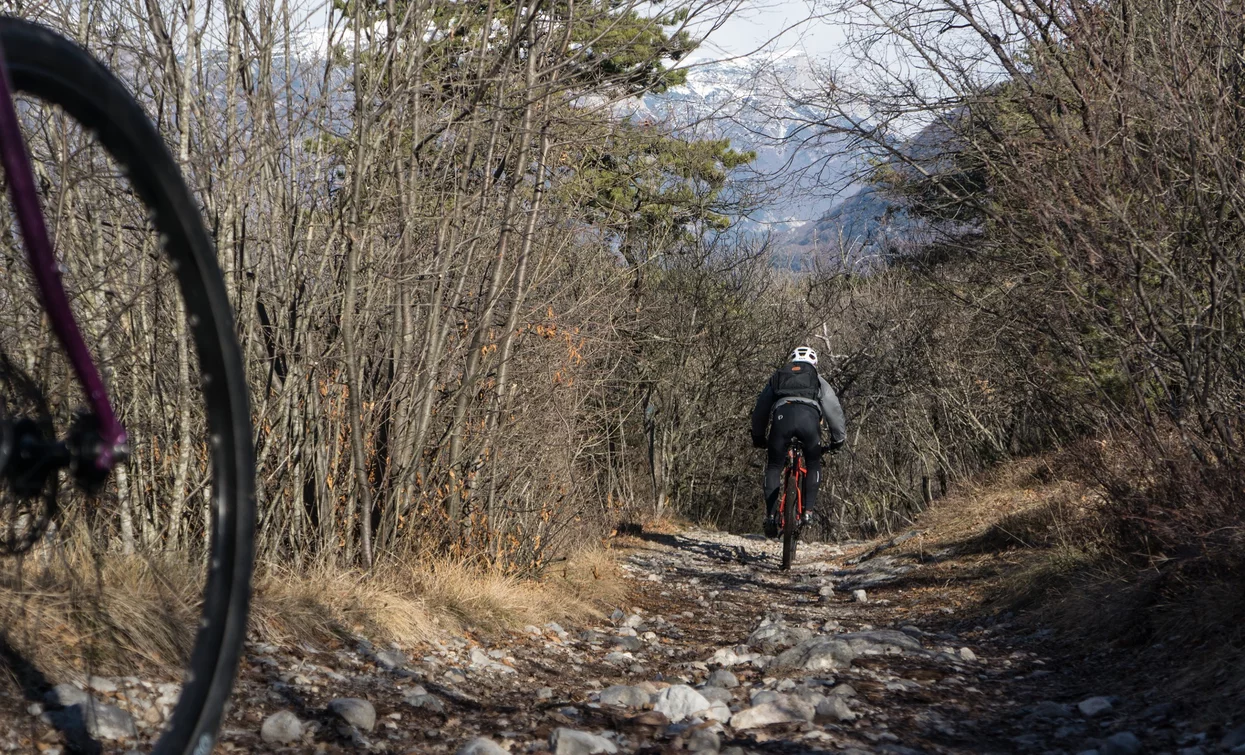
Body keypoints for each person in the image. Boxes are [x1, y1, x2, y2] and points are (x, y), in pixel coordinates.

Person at [750, 346, 847, 537]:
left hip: (782, 420)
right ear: (814, 364)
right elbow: (833, 409)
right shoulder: (818, 380)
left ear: (792, 361)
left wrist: (758, 436)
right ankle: (808, 512)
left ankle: (771, 516)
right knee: (813, 463)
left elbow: (761, 408)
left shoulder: (778, 377)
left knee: (774, 466)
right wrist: (838, 439)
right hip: (809, 422)